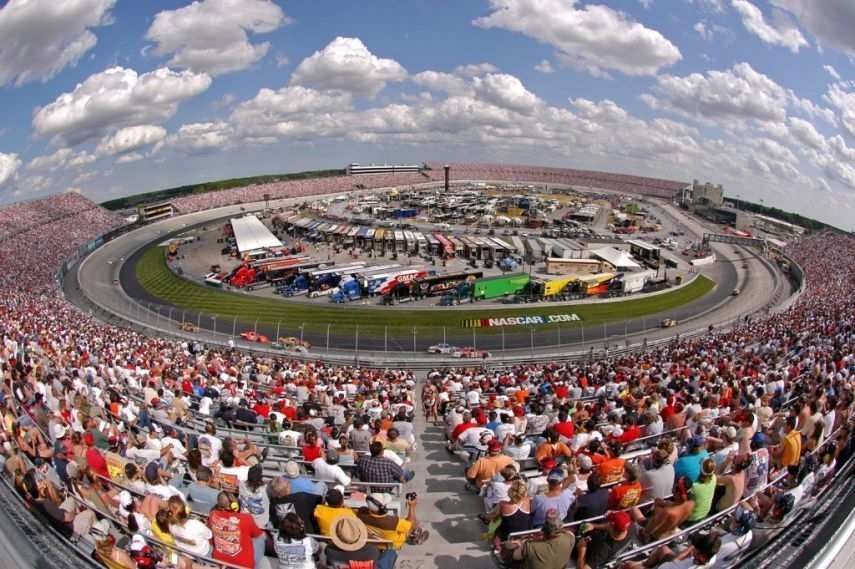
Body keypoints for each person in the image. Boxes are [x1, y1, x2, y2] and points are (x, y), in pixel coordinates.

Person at [208, 491, 264, 569]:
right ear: (235, 505)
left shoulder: (212, 515)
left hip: (220, 560)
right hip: (243, 564)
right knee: (261, 539)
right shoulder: (246, 518)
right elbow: (257, 534)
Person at [506, 509, 575, 569]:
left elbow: (513, 555)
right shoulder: (570, 538)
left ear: (544, 531)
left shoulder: (531, 546)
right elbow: (567, 532)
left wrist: (521, 541)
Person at [357, 492, 429, 548]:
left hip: (374, 540)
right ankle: (414, 536)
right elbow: (411, 524)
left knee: (406, 524)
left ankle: (415, 534)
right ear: (383, 508)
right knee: (414, 524)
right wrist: (412, 506)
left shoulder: (361, 512)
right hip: (392, 543)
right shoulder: (391, 522)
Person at [686, 459, 717, 523]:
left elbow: (689, 502)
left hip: (693, 517)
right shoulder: (714, 477)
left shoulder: (695, 486)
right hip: (705, 512)